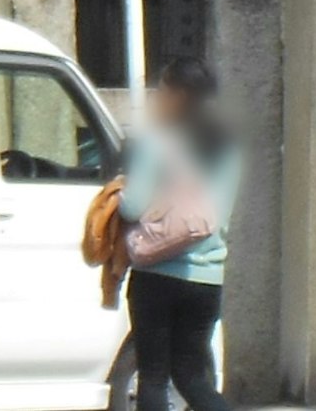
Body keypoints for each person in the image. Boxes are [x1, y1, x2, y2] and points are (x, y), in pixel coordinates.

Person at [117, 56, 237, 411]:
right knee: (192, 377)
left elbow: (132, 207)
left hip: (157, 274)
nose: (156, 98)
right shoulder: (227, 147)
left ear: (178, 96)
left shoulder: (159, 142)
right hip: (208, 277)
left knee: (153, 375)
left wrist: (120, 190)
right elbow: (220, 214)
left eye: (162, 90)